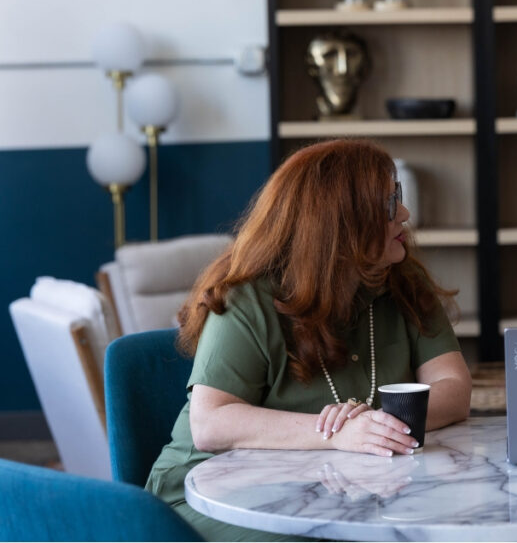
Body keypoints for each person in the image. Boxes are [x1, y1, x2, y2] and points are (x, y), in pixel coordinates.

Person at [146, 139, 472, 541]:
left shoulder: (405, 282)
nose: (404, 214)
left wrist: (369, 425)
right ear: (340, 222)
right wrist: (338, 433)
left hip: (338, 489)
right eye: (389, 204)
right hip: (209, 497)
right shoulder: (247, 299)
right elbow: (211, 424)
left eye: (398, 198)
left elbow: (454, 389)